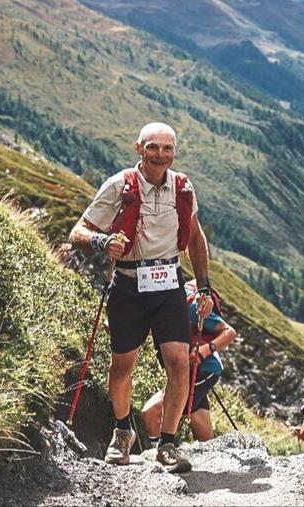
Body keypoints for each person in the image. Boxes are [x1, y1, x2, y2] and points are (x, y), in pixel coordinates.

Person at [68, 122, 212, 473]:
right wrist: (102, 242)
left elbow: (195, 238)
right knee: (122, 366)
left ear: (174, 151)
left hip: (169, 284)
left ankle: (167, 443)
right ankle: (122, 432)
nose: (160, 155)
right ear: (138, 148)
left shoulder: (182, 187)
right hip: (129, 285)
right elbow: (78, 231)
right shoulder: (119, 185)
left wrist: (204, 286)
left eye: (167, 148)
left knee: (179, 362)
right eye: (152, 147)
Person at [141, 281, 237, 446]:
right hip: (198, 370)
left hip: (202, 369)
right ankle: (213, 460)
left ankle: (159, 455)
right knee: (203, 434)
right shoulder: (160, 307)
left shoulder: (191, 307)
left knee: (151, 412)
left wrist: (204, 351)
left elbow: (229, 332)